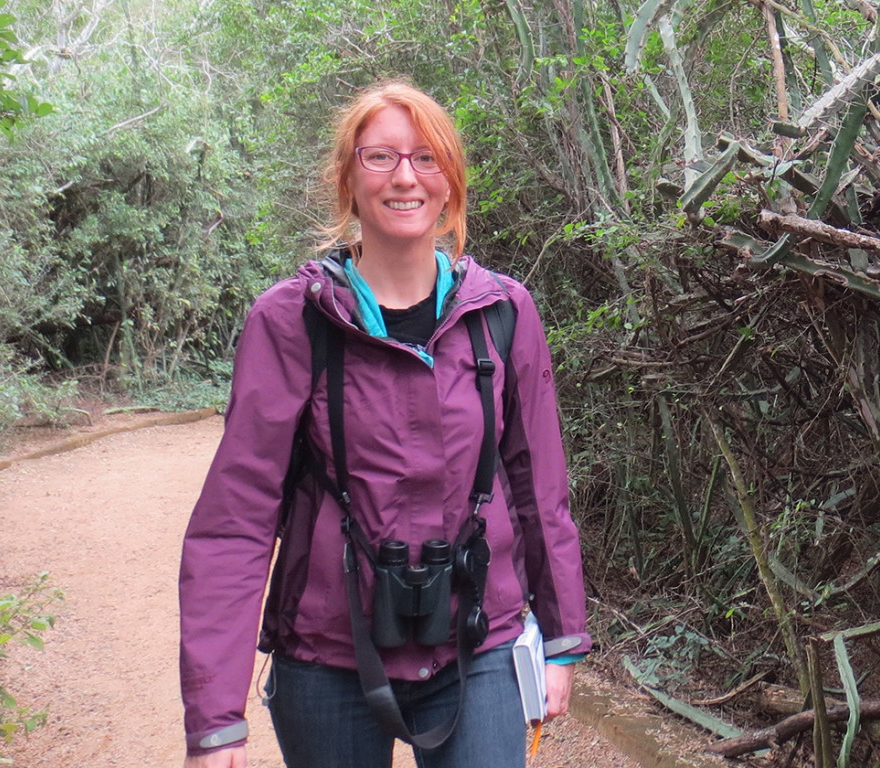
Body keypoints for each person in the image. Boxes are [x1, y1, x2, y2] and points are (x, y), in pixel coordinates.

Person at [178, 81, 590, 768]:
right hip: (328, 652)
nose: (406, 176)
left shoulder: (503, 315)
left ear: (450, 182)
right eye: (381, 157)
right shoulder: (292, 321)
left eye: (427, 158)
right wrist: (216, 719)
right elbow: (237, 519)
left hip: (477, 643)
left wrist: (561, 641)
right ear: (347, 179)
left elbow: (538, 488)